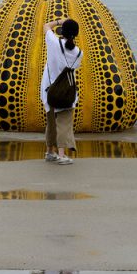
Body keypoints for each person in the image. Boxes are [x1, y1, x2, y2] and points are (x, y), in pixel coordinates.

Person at [40, 18, 83, 165]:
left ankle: (50, 152)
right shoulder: (78, 53)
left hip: (49, 90)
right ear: (76, 34)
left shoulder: (53, 43)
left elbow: (45, 25)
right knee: (64, 123)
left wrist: (59, 21)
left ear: (62, 32)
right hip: (66, 91)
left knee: (51, 122)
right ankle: (62, 155)